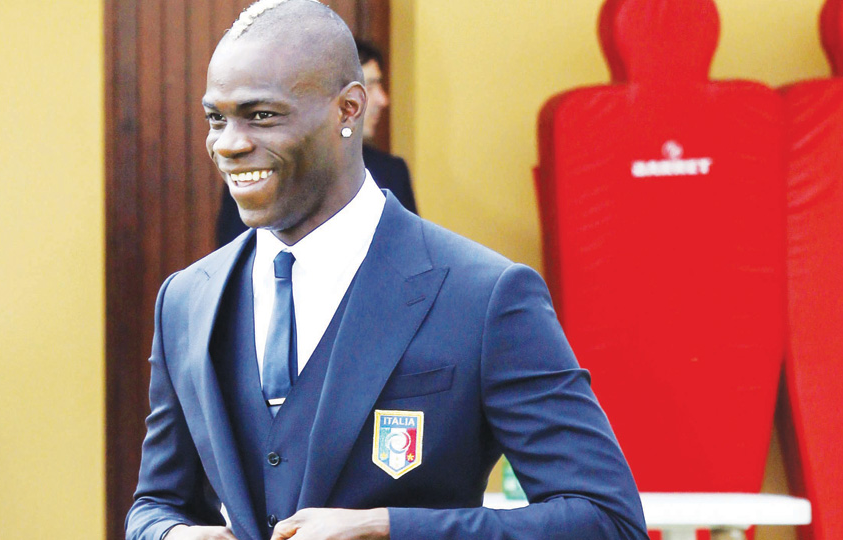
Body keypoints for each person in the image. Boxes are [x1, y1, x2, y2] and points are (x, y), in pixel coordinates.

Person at [126, 1, 648, 540]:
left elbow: (606, 520)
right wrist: (171, 535)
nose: (229, 143)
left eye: (262, 115)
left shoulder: (484, 295)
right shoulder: (186, 300)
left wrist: (388, 528)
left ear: (348, 110)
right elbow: (155, 504)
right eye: (216, 118)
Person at [215, 37, 417, 248]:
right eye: (371, 86)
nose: (382, 100)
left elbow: (409, 251)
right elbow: (237, 251)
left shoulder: (392, 172)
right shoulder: (256, 170)